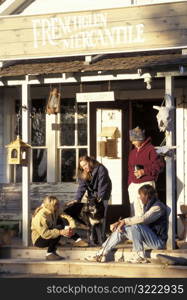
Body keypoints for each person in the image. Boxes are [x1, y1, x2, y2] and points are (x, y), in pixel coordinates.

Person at [85, 184, 167, 263]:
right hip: (148, 240)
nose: (140, 198)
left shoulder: (158, 207)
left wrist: (124, 221)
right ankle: (101, 254)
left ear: (147, 195)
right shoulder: (147, 206)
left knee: (136, 225)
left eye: (141, 195)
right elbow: (138, 219)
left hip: (158, 242)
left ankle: (140, 256)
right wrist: (120, 223)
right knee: (121, 229)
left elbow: (143, 219)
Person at [66, 156, 112, 244]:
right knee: (91, 216)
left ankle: (102, 239)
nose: (84, 167)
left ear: (90, 162)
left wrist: (100, 197)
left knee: (102, 216)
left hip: (104, 194)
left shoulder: (101, 169)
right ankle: (93, 239)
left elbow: (103, 183)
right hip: (92, 195)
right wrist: (77, 199)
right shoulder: (84, 172)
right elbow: (82, 187)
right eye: (82, 166)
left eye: (85, 164)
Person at [31, 195, 88, 261]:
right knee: (59, 228)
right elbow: (45, 234)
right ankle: (49, 253)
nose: (59, 205)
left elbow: (67, 217)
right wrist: (60, 232)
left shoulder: (55, 210)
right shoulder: (41, 216)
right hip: (39, 240)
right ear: (51, 205)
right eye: (57, 204)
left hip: (49, 234)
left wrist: (72, 227)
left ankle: (78, 240)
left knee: (63, 219)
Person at [128, 126, 164, 216]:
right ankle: (136, 230)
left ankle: (145, 230)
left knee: (146, 212)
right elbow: (129, 169)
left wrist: (144, 171)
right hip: (133, 185)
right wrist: (129, 184)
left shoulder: (151, 150)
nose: (132, 142)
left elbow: (159, 166)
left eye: (134, 140)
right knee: (134, 212)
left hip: (146, 184)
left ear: (140, 139)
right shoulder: (132, 152)